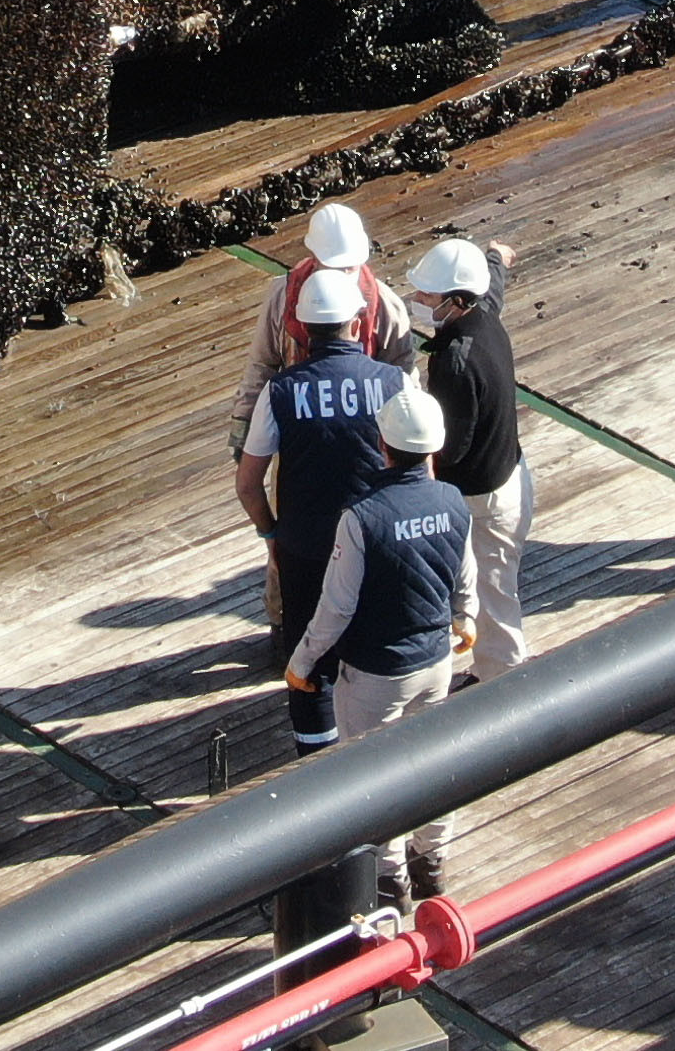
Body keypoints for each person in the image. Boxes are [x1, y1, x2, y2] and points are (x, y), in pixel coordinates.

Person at [286, 385, 479, 901]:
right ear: (435, 446)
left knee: (375, 778)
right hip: (436, 661)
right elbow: (465, 575)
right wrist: (467, 619)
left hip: (374, 675)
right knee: (434, 764)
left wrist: (302, 662)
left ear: (382, 444)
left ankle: (390, 877)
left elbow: (336, 608)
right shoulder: (453, 501)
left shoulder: (362, 518)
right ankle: (431, 860)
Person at [236, 267, 410, 750]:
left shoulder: (279, 391)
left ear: (302, 328)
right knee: (374, 654)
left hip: (305, 550)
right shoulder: (395, 383)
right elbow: (423, 471)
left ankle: (316, 758)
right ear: (357, 323)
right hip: (377, 544)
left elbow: (248, 485)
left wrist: (272, 536)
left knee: (310, 665)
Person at [406, 233, 530, 684]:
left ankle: (505, 684)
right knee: (492, 587)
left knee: (492, 596)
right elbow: (492, 288)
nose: (418, 301)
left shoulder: (456, 364)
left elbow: (450, 449)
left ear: (455, 301)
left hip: (485, 500)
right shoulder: (482, 315)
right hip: (509, 471)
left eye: (427, 295)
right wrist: (496, 257)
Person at [227, 200, 418, 456]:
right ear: (315, 259)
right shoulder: (282, 296)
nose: (343, 274)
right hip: (299, 430)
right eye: (336, 267)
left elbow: (403, 375)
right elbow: (262, 363)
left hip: (365, 437)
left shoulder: (385, 306)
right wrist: (243, 424)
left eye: (349, 267)